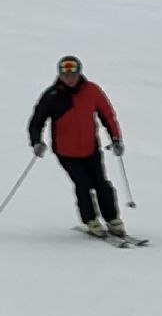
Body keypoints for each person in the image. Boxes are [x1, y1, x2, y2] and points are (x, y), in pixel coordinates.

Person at [28, 55, 129, 238]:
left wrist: (116, 138)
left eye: (72, 75)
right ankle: (90, 220)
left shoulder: (92, 91)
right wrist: (36, 142)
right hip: (66, 152)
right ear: (60, 75)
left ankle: (113, 219)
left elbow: (107, 115)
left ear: (79, 73)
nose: (70, 79)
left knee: (102, 183)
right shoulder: (52, 96)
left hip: (91, 148)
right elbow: (36, 122)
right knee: (83, 184)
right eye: (65, 75)